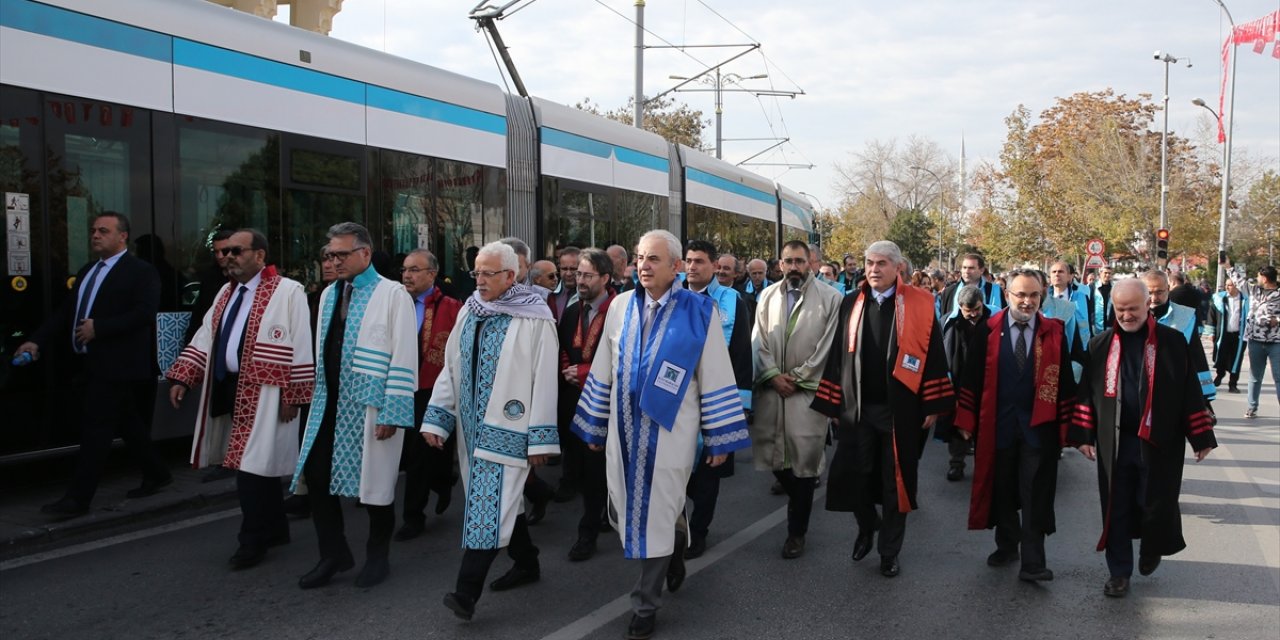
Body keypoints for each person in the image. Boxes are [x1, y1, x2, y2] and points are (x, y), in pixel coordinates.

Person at [572, 229, 750, 640]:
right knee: (627, 506)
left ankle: (645, 603)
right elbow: (602, 368)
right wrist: (596, 425)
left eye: (654, 259)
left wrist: (719, 439)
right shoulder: (619, 307)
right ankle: (676, 534)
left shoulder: (698, 312)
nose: (644, 266)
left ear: (676, 267)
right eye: (639, 258)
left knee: (655, 508)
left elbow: (715, 377)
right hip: (623, 429)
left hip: (672, 432)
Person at [421, 241, 560, 621]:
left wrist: (540, 439)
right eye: (476, 273)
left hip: (510, 431)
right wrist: (438, 417)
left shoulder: (535, 318)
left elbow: (545, 380)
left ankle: (466, 593)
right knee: (504, 502)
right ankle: (527, 561)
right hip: (470, 429)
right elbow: (453, 367)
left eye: (488, 273)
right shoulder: (471, 309)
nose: (479, 281)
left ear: (511, 276)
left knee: (486, 505)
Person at [165, 229, 314, 569]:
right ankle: (275, 530)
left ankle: (252, 540)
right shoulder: (225, 293)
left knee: (250, 469)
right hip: (230, 387)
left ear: (259, 255)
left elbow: (301, 342)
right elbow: (206, 335)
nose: (228, 257)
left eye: (237, 251)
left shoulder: (288, 291)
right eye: (225, 251)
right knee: (257, 467)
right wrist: (183, 377)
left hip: (268, 391)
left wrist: (294, 393)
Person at [813, 240, 954, 578]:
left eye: (881, 264)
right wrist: (833, 401)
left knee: (896, 483)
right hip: (858, 408)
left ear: (897, 268)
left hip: (899, 409)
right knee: (855, 477)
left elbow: (934, 353)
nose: (873, 269)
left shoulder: (920, 304)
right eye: (869, 263)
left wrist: (933, 404)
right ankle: (866, 525)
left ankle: (889, 551)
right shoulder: (852, 302)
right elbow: (837, 354)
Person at [1068, 277, 1216, 598]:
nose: (1126, 315)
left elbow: (1190, 391)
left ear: (1147, 304)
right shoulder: (1101, 344)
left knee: (1153, 503)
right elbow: (1086, 396)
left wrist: (1201, 436)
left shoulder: (1173, 342)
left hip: (1159, 442)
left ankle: (1153, 546)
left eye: (1132, 308)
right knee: (1116, 507)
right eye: (1120, 309)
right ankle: (1119, 572)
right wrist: (1083, 435)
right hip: (1115, 443)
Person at [290, 222, 418, 589]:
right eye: (330, 255)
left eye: (341, 254)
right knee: (316, 478)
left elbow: (405, 355)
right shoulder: (329, 294)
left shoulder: (392, 294)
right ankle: (333, 554)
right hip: (329, 403)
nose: (334, 261)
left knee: (375, 487)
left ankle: (378, 557)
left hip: (371, 405)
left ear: (364, 252)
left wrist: (394, 412)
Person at [16, 211, 169, 517]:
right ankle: (157, 473)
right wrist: (37, 341)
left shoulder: (141, 271)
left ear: (122, 236)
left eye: (103, 230)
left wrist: (100, 328)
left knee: (95, 431)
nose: (95, 235)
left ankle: (77, 499)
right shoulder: (88, 271)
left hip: (118, 365)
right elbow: (65, 313)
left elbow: (144, 313)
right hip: (89, 364)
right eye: (93, 230)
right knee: (127, 421)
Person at [953, 269, 1077, 583]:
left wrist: (1070, 428)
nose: (1027, 301)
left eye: (1033, 295)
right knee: (1003, 489)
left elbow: (1064, 383)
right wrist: (966, 421)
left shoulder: (1054, 332)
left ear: (1042, 296)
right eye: (1021, 294)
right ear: (1007, 294)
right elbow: (971, 377)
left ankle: (1033, 562)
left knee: (1035, 493)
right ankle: (1007, 545)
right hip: (997, 426)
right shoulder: (988, 330)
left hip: (1039, 428)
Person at [750, 240, 842, 558]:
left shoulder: (832, 298)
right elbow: (757, 339)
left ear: (812, 263)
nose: (793, 267)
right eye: (788, 261)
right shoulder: (767, 296)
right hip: (773, 390)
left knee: (803, 463)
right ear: (780, 264)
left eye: (799, 261)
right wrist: (773, 375)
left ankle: (796, 533)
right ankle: (797, 499)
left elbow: (829, 346)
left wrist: (799, 377)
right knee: (772, 455)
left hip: (807, 393)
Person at [682, 240, 754, 559]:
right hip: (678, 398)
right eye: (688, 261)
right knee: (678, 469)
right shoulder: (673, 296)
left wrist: (741, 405)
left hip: (715, 399)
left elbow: (741, 353)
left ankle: (699, 531)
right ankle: (678, 527)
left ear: (714, 266)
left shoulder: (731, 300)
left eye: (700, 261)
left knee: (710, 469)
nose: (693, 267)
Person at [393, 249, 462, 541]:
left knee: (422, 453)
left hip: (431, 389)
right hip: (398, 386)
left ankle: (414, 515)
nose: (407, 275)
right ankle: (443, 480)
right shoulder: (394, 303)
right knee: (412, 453)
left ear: (432, 274)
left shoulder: (451, 306)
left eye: (415, 270)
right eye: (405, 269)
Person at [558, 248, 617, 560]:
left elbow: (623, 357)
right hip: (577, 403)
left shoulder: (620, 311)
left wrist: (583, 372)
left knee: (602, 470)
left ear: (606, 278)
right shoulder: (572, 311)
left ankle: (591, 530)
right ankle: (596, 519)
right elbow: (565, 345)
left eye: (586, 275)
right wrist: (570, 370)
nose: (578, 280)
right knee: (586, 469)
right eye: (577, 274)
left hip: (608, 404)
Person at [936, 286, 993, 481]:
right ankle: (956, 464)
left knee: (985, 428)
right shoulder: (947, 322)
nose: (973, 314)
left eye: (977, 309)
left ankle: (983, 467)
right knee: (957, 427)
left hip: (986, 383)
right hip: (957, 383)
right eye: (968, 311)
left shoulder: (994, 321)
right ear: (959, 306)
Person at [1143, 271, 1215, 404]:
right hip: (1141, 389)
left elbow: (1196, 355)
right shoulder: (1135, 316)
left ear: (1168, 289)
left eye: (1159, 292)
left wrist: (1204, 398)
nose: (1154, 298)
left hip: (1174, 388)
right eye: (1149, 293)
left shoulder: (1185, 316)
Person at [1223, 259, 1280, 418]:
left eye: (1259, 276)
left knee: (1278, 375)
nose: (1257, 279)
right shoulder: (1255, 291)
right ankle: (1252, 407)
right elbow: (1239, 281)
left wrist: (1278, 320)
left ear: (1265, 278)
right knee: (1255, 376)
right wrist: (1228, 267)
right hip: (1255, 339)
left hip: (1276, 341)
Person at [1207, 278, 1248, 393]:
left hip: (1239, 336)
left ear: (1237, 286)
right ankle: (1220, 374)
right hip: (1223, 334)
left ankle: (1233, 384)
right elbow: (1211, 316)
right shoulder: (1219, 298)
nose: (1227, 287)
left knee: (1236, 359)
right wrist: (1211, 332)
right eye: (1226, 285)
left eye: (1230, 285)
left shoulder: (1245, 300)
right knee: (1221, 355)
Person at [937, 253, 1005, 319]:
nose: (966, 271)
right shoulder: (949, 292)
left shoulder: (995, 290)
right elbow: (944, 320)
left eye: (971, 268)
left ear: (981, 270)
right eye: (964, 267)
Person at [1048, 261, 1091, 344]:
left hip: (1074, 349)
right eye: (1054, 272)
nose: (1057, 274)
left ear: (1069, 277)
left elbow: (1087, 324)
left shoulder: (1081, 297)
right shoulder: (1042, 298)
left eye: (1061, 271)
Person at [1168, 271, 1205, 336]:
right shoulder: (1196, 292)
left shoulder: (1171, 294)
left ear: (1173, 282)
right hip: (1194, 324)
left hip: (1176, 326)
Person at [549, 246, 581, 318]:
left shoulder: (589, 295)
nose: (568, 273)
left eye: (573, 269)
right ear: (559, 268)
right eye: (564, 269)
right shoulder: (550, 294)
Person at [1089, 266, 1115, 335]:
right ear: (1100, 274)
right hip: (1096, 322)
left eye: (1109, 273)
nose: (1107, 275)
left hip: (1110, 322)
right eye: (1105, 273)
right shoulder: (1092, 287)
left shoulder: (1115, 287)